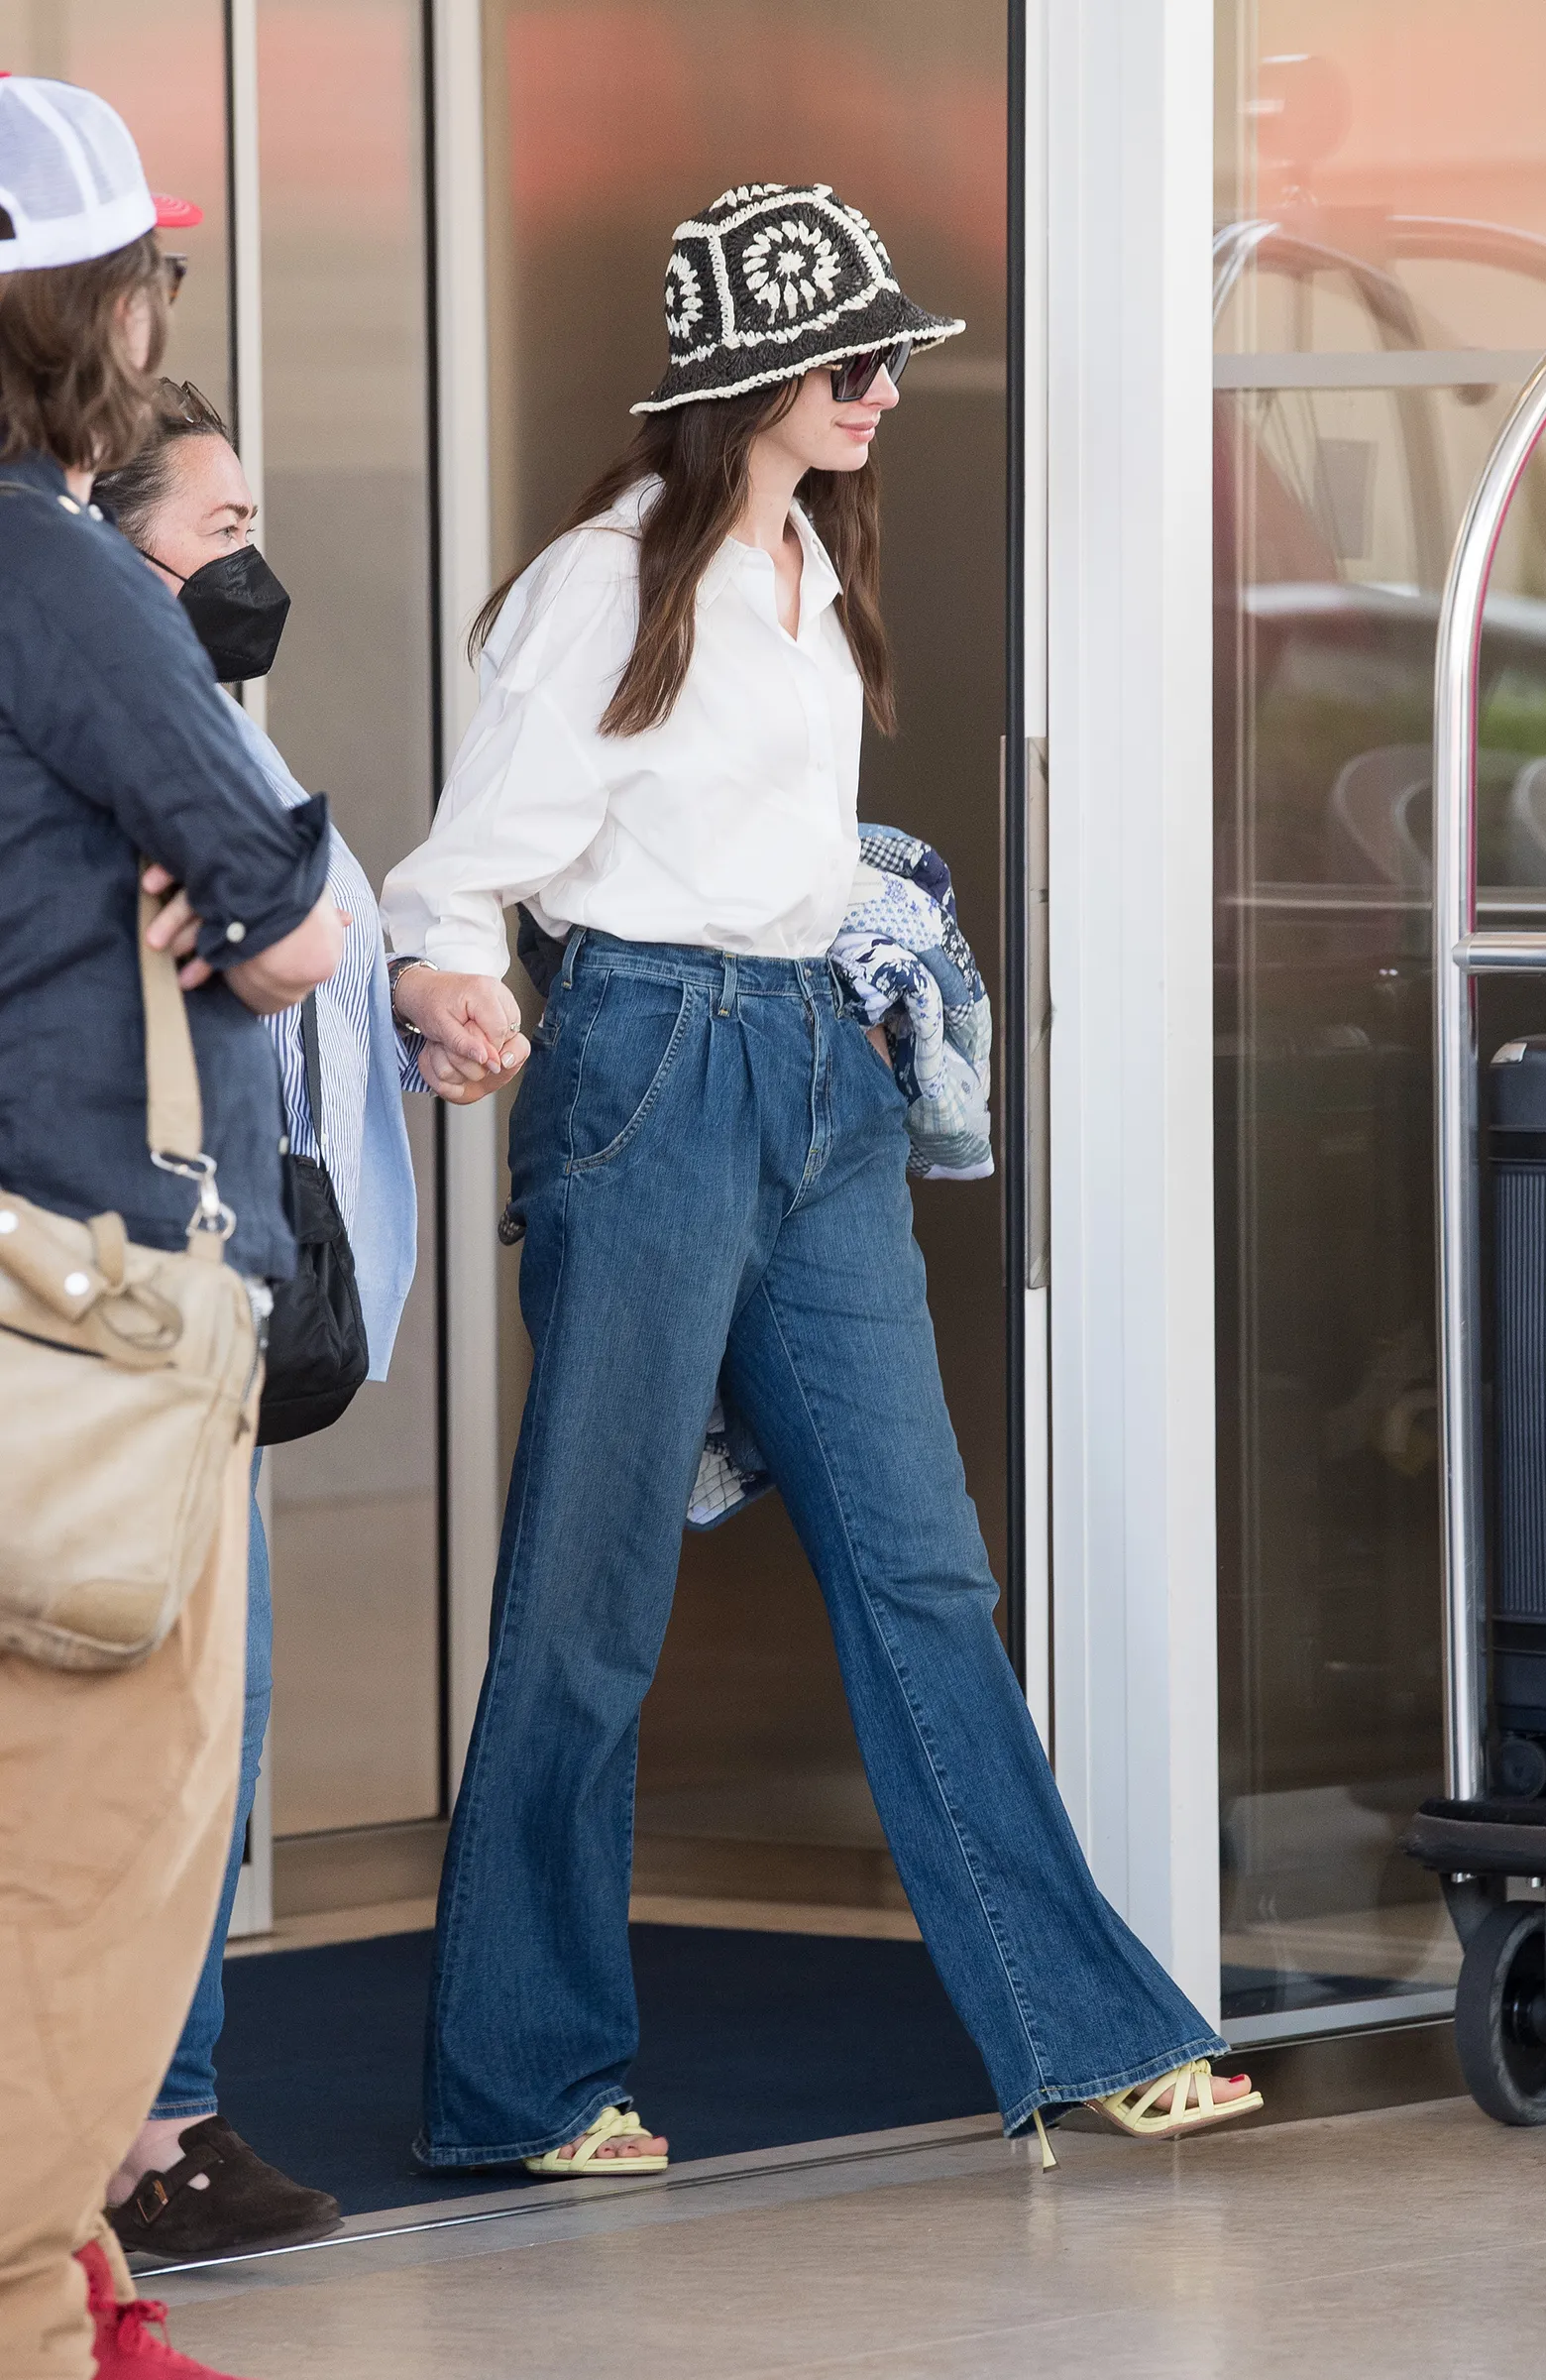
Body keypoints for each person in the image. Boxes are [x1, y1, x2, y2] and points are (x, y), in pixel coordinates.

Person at [383, 180, 1261, 2178]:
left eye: (889, 354)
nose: (882, 387)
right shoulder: (608, 583)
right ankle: (521, 2081)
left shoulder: (806, 561)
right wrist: (446, 981)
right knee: (589, 1601)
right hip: (650, 1068)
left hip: (815, 1075)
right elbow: (464, 866)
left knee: (921, 1568)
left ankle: (1075, 2028)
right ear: (741, 379)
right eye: (849, 358)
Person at [85, 386, 530, 2264]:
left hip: (225, 1311)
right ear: (107, 552)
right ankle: (119, 2128)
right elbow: (270, 947)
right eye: (217, 528)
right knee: (155, 1719)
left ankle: (158, 2123)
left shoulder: (215, 739)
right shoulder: (96, 729)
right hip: (119, 1303)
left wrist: (424, 1007)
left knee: (216, 1721)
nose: (251, 568)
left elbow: (321, 949)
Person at [0, 77, 345, 2380]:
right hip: (72, 1308)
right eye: (152, 275)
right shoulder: (49, 570)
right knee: (83, 1865)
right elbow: (297, 914)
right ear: (86, 313)